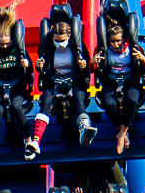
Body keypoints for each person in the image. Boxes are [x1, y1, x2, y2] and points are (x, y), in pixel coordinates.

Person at [30, 20, 96, 159]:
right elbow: (41, 68)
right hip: (55, 82)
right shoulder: (47, 48)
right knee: (46, 102)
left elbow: (88, 67)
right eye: (57, 40)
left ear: (69, 37)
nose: (60, 43)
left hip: (73, 81)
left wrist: (83, 65)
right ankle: (36, 141)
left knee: (79, 100)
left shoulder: (77, 46)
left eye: (63, 40)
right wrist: (40, 65)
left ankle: (84, 129)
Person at [0, 0, 34, 163]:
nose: (4, 47)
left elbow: (29, 69)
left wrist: (27, 64)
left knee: (17, 106)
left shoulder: (18, 50)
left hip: (17, 87)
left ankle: (28, 143)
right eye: (1, 44)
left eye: (7, 44)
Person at [91, 20, 145, 154]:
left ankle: (121, 135)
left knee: (132, 100)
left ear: (125, 39)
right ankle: (121, 131)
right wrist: (92, 62)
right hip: (110, 83)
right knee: (108, 102)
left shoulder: (133, 48)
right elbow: (92, 68)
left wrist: (143, 59)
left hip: (130, 82)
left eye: (118, 41)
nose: (116, 44)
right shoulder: (102, 50)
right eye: (112, 41)